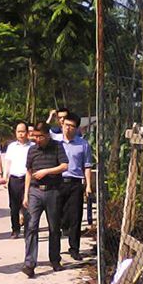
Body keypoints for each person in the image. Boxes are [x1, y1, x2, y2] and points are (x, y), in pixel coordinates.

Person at [21, 122, 68, 278]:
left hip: (53, 191)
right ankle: (29, 263)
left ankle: (55, 259)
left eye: (40, 136)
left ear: (47, 135)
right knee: (31, 226)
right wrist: (26, 194)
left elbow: (64, 166)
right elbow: (28, 172)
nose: (37, 139)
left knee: (54, 228)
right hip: (35, 191)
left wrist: (47, 171)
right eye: (34, 136)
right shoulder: (32, 150)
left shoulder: (57, 147)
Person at [57, 112, 93, 261]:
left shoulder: (83, 144)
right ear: (62, 125)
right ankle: (55, 251)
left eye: (72, 126)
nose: (68, 128)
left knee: (75, 218)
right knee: (57, 217)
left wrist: (88, 185)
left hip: (75, 183)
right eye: (66, 125)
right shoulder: (56, 142)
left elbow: (87, 166)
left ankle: (74, 248)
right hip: (58, 182)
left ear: (76, 128)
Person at [3, 120, 33, 238]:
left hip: (28, 179)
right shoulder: (11, 147)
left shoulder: (32, 147)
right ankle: (15, 229)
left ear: (27, 132)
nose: (21, 134)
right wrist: (5, 177)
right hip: (14, 179)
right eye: (18, 131)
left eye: (23, 131)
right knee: (14, 206)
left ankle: (28, 229)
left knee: (27, 205)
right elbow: (8, 162)